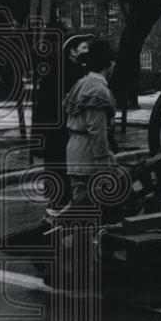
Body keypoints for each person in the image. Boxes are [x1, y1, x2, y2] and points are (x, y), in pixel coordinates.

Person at [32, 33, 93, 210]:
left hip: (56, 133)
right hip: (60, 132)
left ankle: (57, 205)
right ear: (72, 52)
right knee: (62, 171)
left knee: (58, 172)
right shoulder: (69, 72)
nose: (87, 51)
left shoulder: (66, 70)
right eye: (83, 48)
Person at [62, 40, 119, 207]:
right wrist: (104, 168)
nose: (114, 65)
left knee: (80, 206)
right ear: (107, 64)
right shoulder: (97, 90)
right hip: (89, 156)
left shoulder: (82, 83)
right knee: (89, 211)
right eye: (113, 61)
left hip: (75, 152)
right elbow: (97, 131)